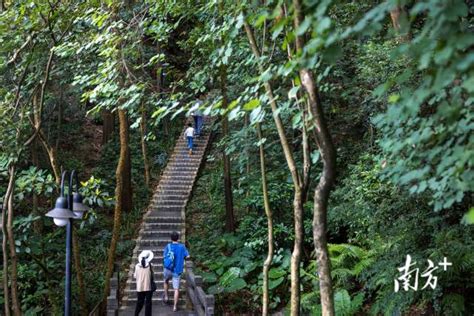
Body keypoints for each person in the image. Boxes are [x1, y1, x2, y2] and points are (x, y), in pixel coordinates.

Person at [163, 231, 190, 312]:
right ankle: (174, 307)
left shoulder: (168, 246)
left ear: (171, 238)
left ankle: (166, 296)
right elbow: (188, 256)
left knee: (165, 281)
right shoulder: (182, 247)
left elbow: (164, 256)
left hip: (168, 269)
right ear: (178, 238)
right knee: (176, 289)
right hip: (177, 270)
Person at [134, 250, 154, 316]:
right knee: (148, 303)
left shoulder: (137, 266)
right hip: (148, 287)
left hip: (140, 287)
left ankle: (136, 314)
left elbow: (135, 276)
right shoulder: (150, 265)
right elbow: (152, 275)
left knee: (139, 303)